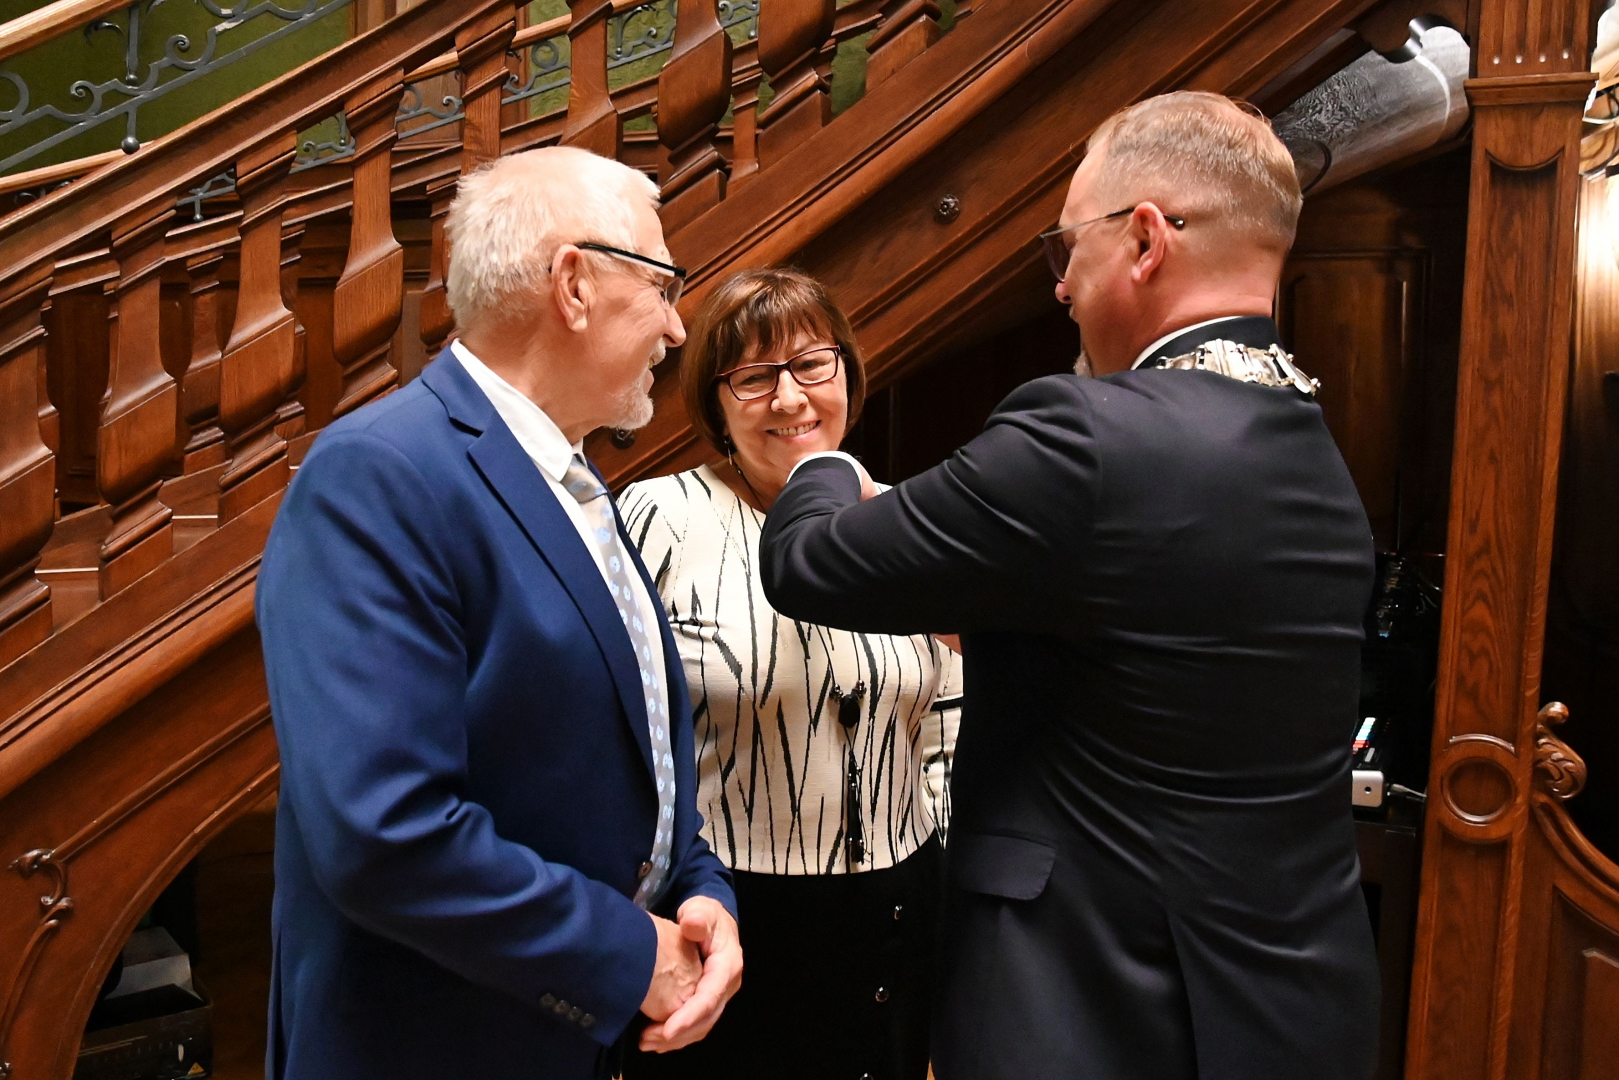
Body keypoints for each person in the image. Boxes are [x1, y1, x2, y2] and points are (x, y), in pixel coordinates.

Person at [758, 92, 1381, 1080]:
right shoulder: (1314, 451)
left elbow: (810, 563)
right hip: (1288, 1003)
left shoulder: (1084, 433)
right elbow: (1150, 646)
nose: (1058, 289)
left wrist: (821, 465)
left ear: (1143, 240)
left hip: (1091, 1004)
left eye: (1065, 248)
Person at [256, 146, 741, 1080]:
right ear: (574, 284)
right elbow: (382, 831)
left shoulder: (572, 476)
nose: (677, 328)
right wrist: (626, 954)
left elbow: (625, 744)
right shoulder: (379, 474)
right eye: (662, 285)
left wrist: (699, 890)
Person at [616, 267, 961, 1080]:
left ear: (846, 372)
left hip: (900, 913)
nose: (790, 397)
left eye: (811, 364)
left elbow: (947, 726)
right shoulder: (656, 519)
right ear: (715, 402)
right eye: (754, 376)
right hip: (727, 915)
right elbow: (618, 738)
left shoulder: (911, 521)